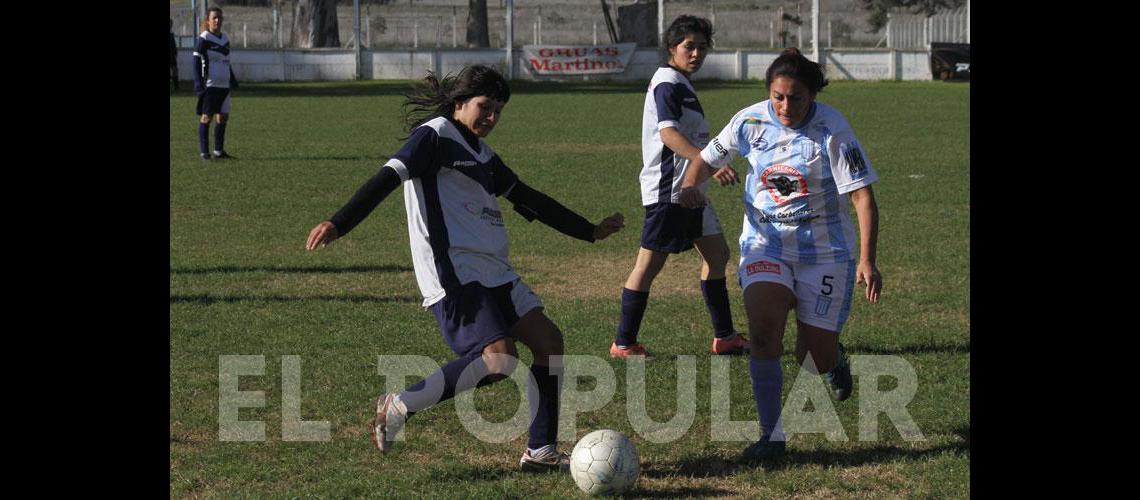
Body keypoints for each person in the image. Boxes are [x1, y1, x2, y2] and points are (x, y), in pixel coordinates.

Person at [305, 65, 625, 471]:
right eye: (484, 108)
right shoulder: (434, 137)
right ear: (459, 104)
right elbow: (386, 179)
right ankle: (399, 404)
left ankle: (540, 451)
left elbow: (529, 197)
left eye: (498, 111)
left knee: (548, 342)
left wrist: (590, 231)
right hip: (455, 271)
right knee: (496, 359)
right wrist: (339, 223)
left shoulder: (483, 154)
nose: (491, 118)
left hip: (495, 270)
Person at [679, 48, 882, 460]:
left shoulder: (832, 128)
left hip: (826, 253)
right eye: (778, 97)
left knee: (813, 358)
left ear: (813, 95)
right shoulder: (749, 120)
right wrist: (689, 188)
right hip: (764, 243)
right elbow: (704, 159)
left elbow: (862, 198)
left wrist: (867, 259)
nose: (786, 106)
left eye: (796, 98)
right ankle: (772, 436)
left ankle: (833, 357)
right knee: (764, 328)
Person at [610, 15, 747, 360]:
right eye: (689, 46)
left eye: (702, 47)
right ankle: (623, 343)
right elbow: (668, 134)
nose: (696, 53)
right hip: (669, 191)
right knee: (648, 265)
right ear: (672, 48)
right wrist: (709, 165)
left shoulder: (679, 81)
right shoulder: (668, 82)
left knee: (717, 256)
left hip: (690, 191)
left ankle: (725, 337)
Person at [192, 6, 239, 161]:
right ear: (208, 20)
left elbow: (226, 61)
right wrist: (199, 85)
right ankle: (204, 153)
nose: (218, 20)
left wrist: (232, 79)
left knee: (223, 116)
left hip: (224, 86)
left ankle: (219, 151)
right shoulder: (204, 38)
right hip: (210, 85)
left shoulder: (225, 39)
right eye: (214, 18)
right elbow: (196, 61)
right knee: (206, 117)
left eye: (220, 18)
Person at [170, 18, 179, 92]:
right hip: (172, 55)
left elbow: (173, 45)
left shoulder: (171, 34)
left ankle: (176, 86)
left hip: (172, 55)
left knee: (175, 70)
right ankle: (176, 87)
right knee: (174, 70)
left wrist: (175, 52)